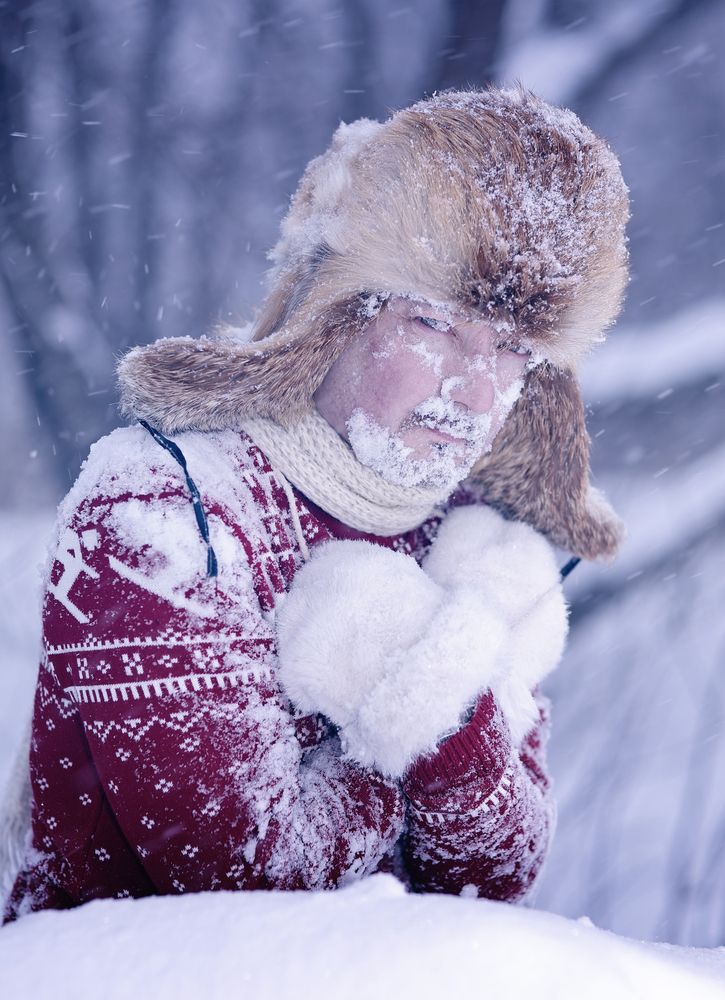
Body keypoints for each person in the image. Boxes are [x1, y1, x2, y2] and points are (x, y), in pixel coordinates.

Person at [3, 85, 629, 920]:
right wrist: (414, 721)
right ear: (331, 318)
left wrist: (433, 684)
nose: (474, 391)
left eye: (511, 350)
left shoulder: (473, 538)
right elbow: (230, 879)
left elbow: (500, 872)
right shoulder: (162, 512)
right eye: (433, 325)